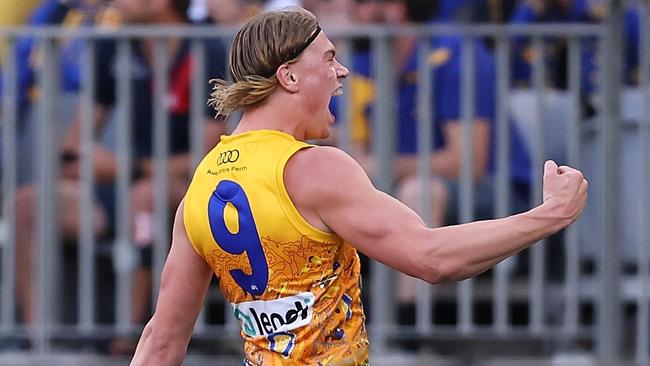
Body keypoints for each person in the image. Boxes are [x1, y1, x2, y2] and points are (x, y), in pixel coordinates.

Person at [130, 7, 588, 365]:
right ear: (288, 76)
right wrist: (548, 215)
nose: (342, 71)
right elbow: (431, 258)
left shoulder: (203, 183)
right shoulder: (314, 168)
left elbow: (161, 343)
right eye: (329, 58)